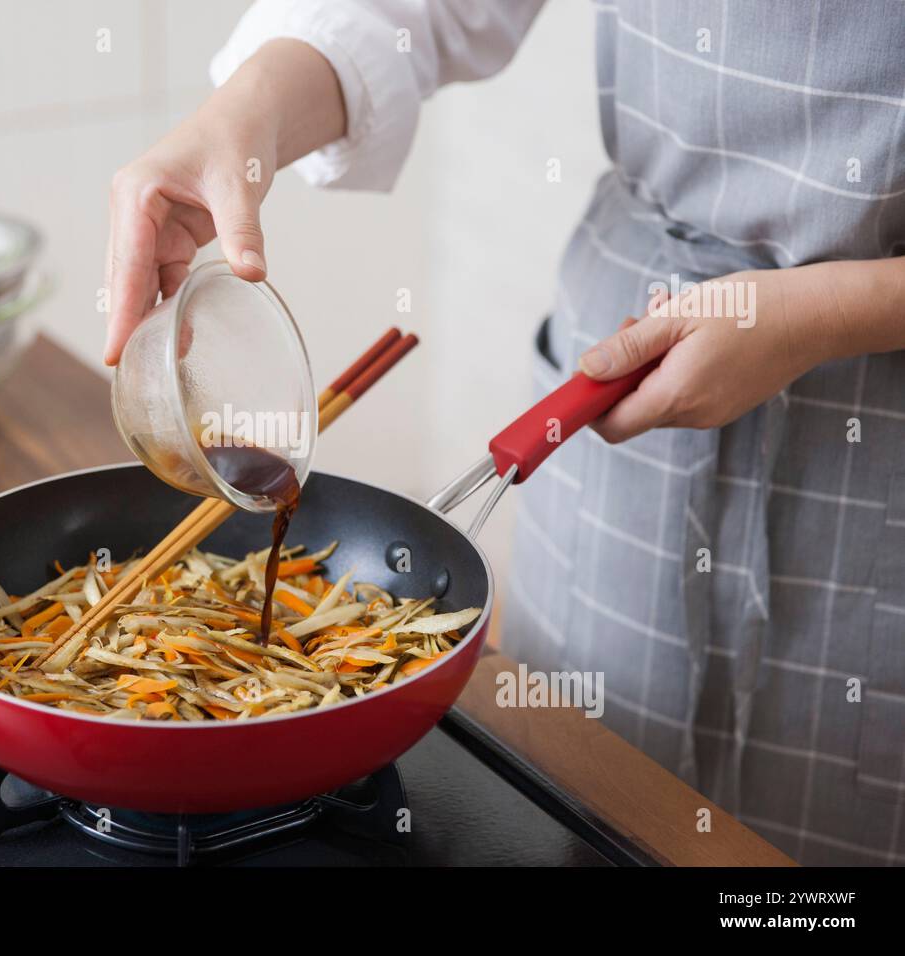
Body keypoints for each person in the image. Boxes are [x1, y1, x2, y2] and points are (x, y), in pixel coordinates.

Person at [101, 1, 905, 866]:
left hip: (877, 424)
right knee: (594, 798)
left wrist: (830, 313)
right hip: (642, 331)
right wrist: (243, 116)